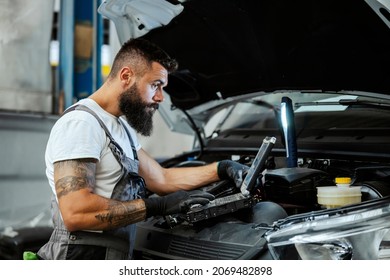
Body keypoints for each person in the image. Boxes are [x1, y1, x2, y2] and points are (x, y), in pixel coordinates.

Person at [37, 38, 248, 260]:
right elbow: (76, 212)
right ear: (126, 76)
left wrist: (222, 169)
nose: (160, 97)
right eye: (155, 85)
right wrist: (157, 206)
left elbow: (161, 178)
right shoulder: (81, 124)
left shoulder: (120, 127)